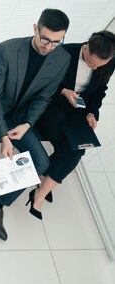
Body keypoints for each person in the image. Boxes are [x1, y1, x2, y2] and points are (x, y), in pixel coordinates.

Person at [0, 8, 71, 241]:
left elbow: (44, 97)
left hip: (20, 118)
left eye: (56, 42)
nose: (48, 46)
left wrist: (28, 123)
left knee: (41, 162)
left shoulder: (62, 59)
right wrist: (4, 137)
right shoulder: (8, 49)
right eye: (45, 39)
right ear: (35, 29)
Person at [33, 31, 115, 214]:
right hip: (51, 105)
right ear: (86, 47)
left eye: (100, 66)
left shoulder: (108, 62)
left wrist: (92, 113)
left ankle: (40, 192)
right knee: (68, 147)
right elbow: (42, 82)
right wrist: (64, 91)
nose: (94, 68)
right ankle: (41, 186)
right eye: (92, 63)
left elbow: (100, 91)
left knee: (79, 148)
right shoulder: (64, 53)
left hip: (78, 110)